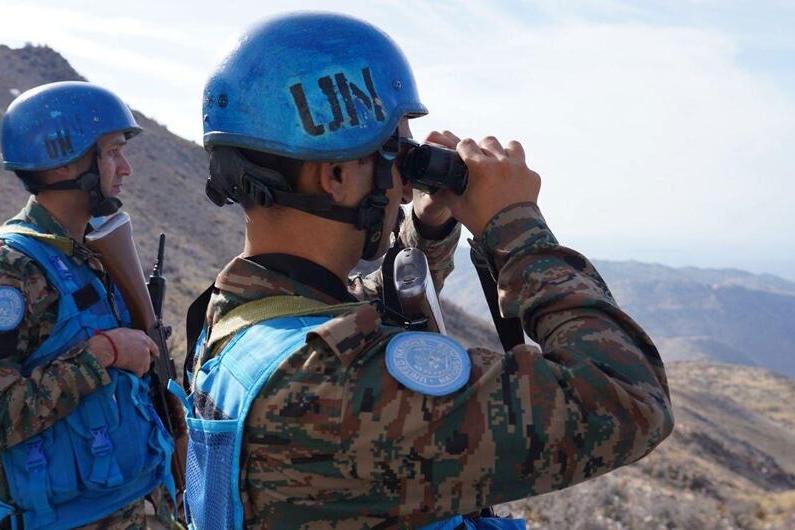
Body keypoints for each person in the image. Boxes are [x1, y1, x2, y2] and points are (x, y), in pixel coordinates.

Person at [178, 12, 674, 529]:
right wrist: (515, 226)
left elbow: (361, 314)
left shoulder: (236, 315)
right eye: (397, 155)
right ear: (337, 175)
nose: (403, 180)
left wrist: (426, 227)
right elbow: (628, 396)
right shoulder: (333, 390)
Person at [0, 81, 176, 530]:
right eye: (114, 151)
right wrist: (105, 354)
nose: (126, 168)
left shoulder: (87, 255)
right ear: (69, 159)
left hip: (128, 504)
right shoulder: (14, 269)